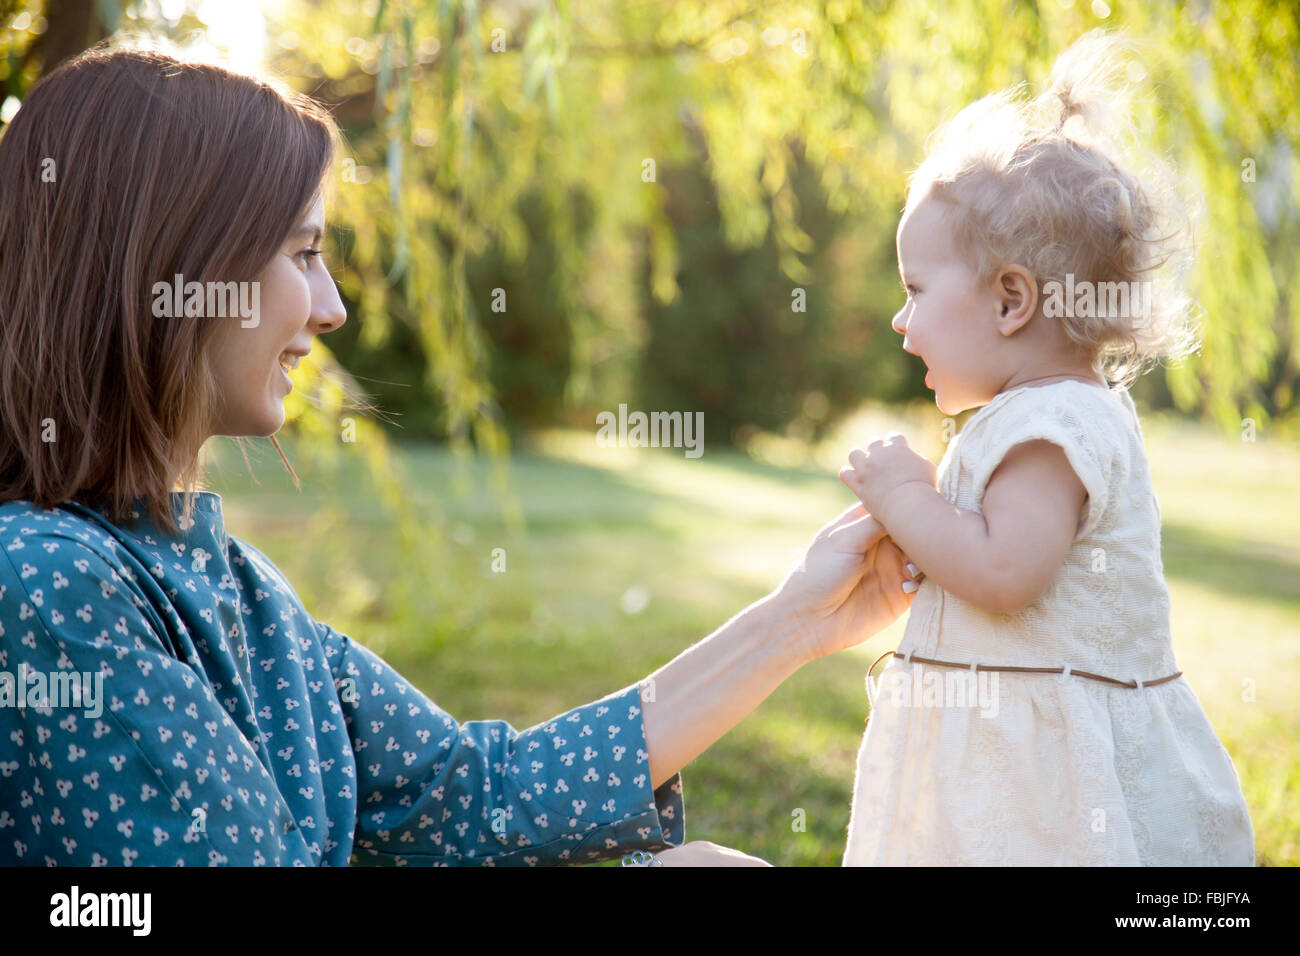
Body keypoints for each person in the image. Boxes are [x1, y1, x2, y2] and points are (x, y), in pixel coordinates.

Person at [0, 44, 922, 866]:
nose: (332, 308)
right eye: (303, 253)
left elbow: (479, 796)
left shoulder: (237, 587)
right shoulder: (45, 586)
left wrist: (800, 620)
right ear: (175, 263)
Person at [836, 31, 1254, 865]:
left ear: (1011, 301)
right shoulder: (1047, 414)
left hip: (1039, 788)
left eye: (915, 289)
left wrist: (905, 498)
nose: (899, 319)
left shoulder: (1053, 426)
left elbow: (1004, 574)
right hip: (1008, 749)